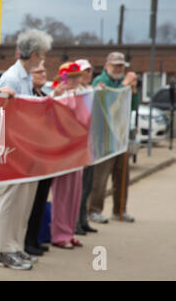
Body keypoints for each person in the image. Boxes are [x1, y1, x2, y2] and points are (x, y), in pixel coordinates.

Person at [0, 29, 53, 269]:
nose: (44, 60)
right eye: (43, 55)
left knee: (25, 201)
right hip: (15, 148)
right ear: (35, 53)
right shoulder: (13, 77)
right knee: (13, 199)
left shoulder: (27, 77)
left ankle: (16, 246)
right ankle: (5, 249)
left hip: (27, 147)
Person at [87, 52, 138, 223]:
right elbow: (108, 104)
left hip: (121, 136)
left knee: (122, 176)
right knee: (100, 177)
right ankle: (94, 210)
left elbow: (133, 106)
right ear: (107, 65)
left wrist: (133, 90)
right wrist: (124, 85)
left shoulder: (123, 83)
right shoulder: (100, 82)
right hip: (104, 137)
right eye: (116, 65)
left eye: (121, 66)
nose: (119, 68)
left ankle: (120, 210)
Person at [49, 62, 86, 249]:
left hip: (77, 150)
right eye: (71, 77)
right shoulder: (58, 94)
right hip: (63, 151)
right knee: (62, 193)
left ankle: (69, 231)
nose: (75, 80)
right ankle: (59, 234)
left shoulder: (81, 93)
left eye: (77, 76)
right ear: (63, 78)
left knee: (75, 192)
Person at [23, 61, 53, 256]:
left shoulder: (46, 96)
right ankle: (27, 241)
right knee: (30, 202)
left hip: (45, 156)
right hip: (30, 157)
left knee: (41, 198)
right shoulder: (28, 97)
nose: (43, 73)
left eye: (44, 70)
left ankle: (35, 238)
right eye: (38, 71)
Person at [74, 59, 98, 235]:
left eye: (89, 72)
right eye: (83, 72)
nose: (87, 75)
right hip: (79, 147)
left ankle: (83, 219)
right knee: (79, 187)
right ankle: (75, 222)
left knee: (88, 185)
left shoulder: (91, 91)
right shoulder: (75, 93)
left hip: (91, 144)